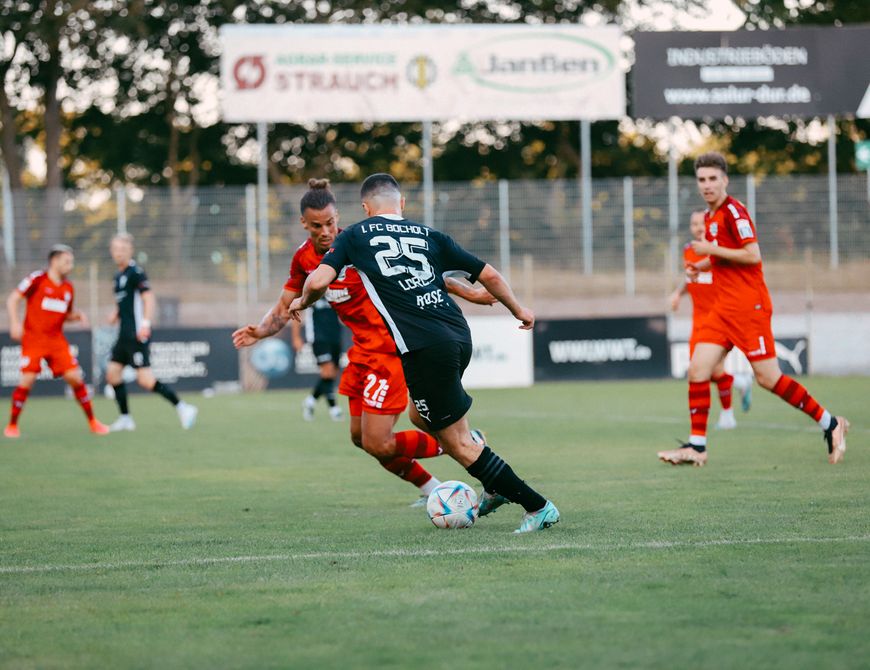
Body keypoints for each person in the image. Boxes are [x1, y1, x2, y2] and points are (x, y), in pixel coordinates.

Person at [290, 173, 559, 533]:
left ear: (366, 209)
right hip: (457, 336)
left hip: (424, 349)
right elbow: (489, 275)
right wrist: (519, 310)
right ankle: (493, 482)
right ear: (401, 204)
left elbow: (319, 281)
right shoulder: (429, 234)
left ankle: (537, 506)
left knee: (459, 443)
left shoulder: (355, 235)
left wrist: (302, 301)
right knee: (419, 416)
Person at [233, 179, 495, 506]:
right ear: (304, 224)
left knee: (380, 442)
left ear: (337, 216)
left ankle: (467, 445)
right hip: (361, 353)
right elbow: (285, 305)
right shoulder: (303, 259)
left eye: (330, 222)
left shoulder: (355, 243)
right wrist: (260, 331)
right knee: (360, 438)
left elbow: (422, 272)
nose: (326, 231)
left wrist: (472, 293)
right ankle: (431, 488)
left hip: (390, 348)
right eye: (317, 226)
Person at [658, 152, 849, 467]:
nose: (707, 185)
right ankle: (697, 446)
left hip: (749, 308)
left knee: (768, 378)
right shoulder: (709, 217)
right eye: (702, 180)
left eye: (712, 179)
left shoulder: (735, 211)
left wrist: (709, 250)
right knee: (697, 370)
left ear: (725, 180)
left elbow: (752, 255)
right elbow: (721, 258)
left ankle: (830, 422)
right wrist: (701, 265)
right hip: (722, 310)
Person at [4, 245, 109, 438]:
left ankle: (93, 422)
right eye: (67, 261)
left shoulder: (68, 288)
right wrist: (14, 323)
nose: (70, 265)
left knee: (75, 378)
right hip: (34, 339)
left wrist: (76, 316)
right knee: (27, 380)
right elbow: (13, 299)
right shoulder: (37, 279)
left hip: (56, 340)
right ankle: (12, 426)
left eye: (71, 262)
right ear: (54, 260)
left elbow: (64, 314)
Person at [105, 233, 198, 432]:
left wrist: (145, 324)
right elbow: (125, 304)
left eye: (122, 249)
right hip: (123, 335)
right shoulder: (117, 277)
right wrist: (115, 314)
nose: (118, 253)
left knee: (145, 380)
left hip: (137, 335)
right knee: (112, 374)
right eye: (115, 249)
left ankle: (183, 407)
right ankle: (125, 418)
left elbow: (148, 299)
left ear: (130, 250)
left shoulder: (136, 272)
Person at [669, 209, 752, 431]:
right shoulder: (688, 251)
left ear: (710, 225)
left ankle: (727, 416)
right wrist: (678, 293)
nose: (698, 227)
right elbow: (690, 278)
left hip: (721, 318)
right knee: (698, 372)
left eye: (702, 223)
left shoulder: (719, 252)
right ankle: (739, 382)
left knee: (713, 371)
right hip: (698, 320)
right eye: (694, 223)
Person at [290, 295, 344, 422]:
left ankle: (310, 401)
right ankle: (334, 408)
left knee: (332, 374)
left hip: (335, 336)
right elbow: (297, 309)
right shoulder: (312, 287)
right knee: (328, 371)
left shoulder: (336, 286)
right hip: (318, 337)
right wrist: (296, 337)